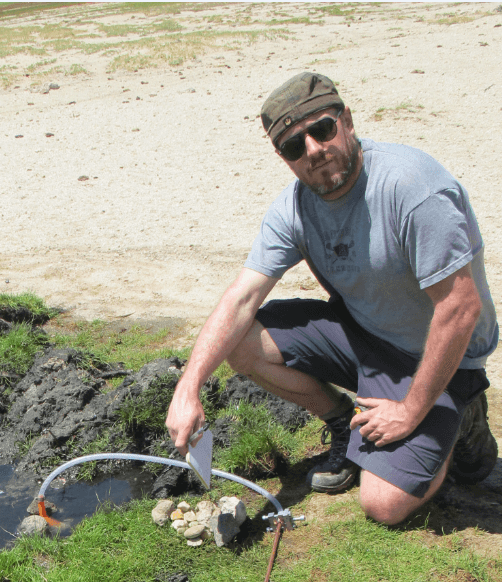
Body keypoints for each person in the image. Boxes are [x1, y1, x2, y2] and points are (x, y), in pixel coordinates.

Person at [165, 72, 498, 525]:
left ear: (347, 121)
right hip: (365, 336)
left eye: (322, 130)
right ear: (284, 158)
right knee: (241, 343)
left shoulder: (412, 187)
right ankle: (344, 421)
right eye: (293, 146)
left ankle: (460, 421)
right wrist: (188, 388)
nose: (314, 150)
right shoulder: (295, 209)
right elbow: (241, 298)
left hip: (444, 355)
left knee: (383, 505)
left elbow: (460, 308)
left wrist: (410, 411)